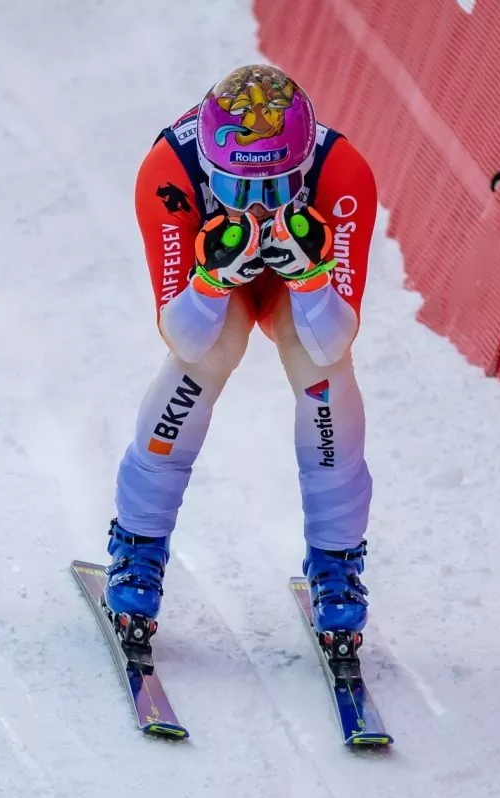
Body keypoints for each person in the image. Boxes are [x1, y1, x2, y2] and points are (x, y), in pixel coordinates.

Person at [103, 63, 378, 647]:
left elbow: (335, 338)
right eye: (238, 191)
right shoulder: (167, 173)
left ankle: (336, 565)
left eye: (275, 191)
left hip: (294, 280)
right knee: (201, 362)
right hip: (217, 277)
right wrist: (208, 281)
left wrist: (308, 278)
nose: (256, 210)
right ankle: (137, 546)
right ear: (209, 169)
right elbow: (182, 336)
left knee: (322, 369)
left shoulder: (344, 174)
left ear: (305, 169)